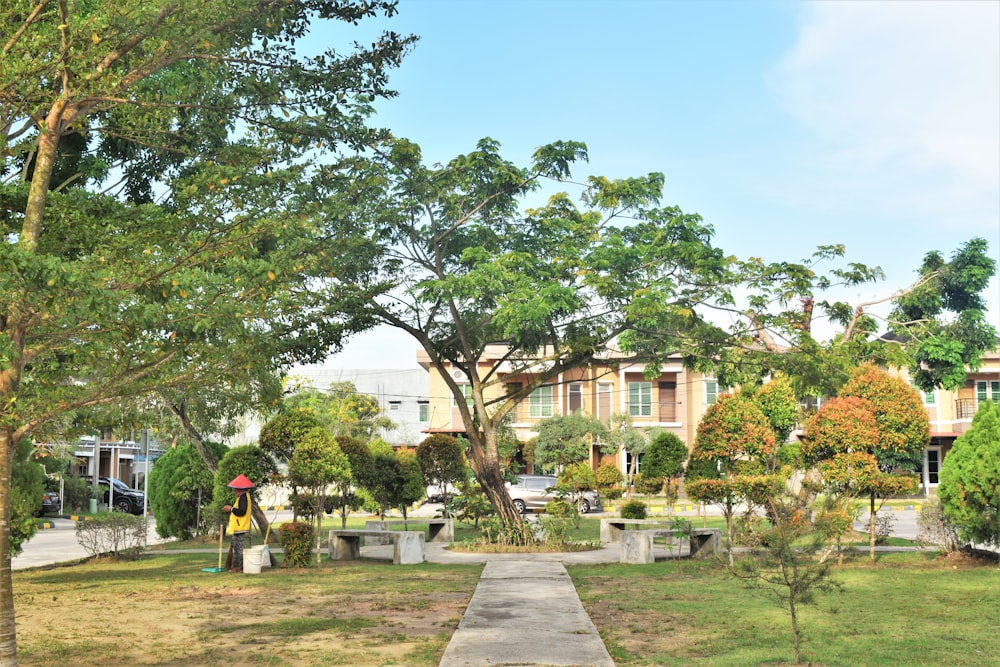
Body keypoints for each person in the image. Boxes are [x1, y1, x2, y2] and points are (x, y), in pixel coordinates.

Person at [223, 474, 254, 572]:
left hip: (240, 527)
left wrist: (231, 509)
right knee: (237, 547)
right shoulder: (243, 497)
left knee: (239, 548)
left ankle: (238, 567)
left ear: (241, 489)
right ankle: (237, 566)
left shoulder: (244, 497)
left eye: (236, 489)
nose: (235, 491)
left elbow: (242, 511)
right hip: (239, 526)